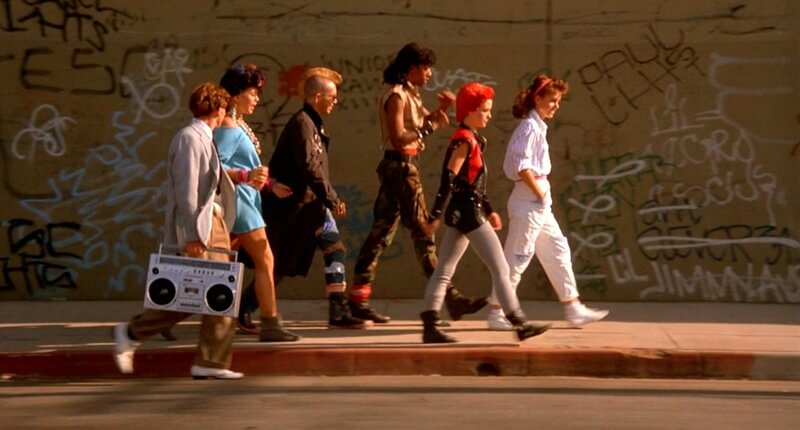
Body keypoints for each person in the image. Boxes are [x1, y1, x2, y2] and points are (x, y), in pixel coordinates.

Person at [112, 82, 244, 379]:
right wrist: (193, 236)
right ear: (219, 110)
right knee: (199, 293)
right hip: (201, 227)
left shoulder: (202, 137)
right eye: (225, 110)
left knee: (216, 295)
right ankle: (132, 332)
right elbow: (187, 192)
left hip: (211, 224)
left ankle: (210, 363)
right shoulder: (190, 138)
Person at [349, 42, 487, 325]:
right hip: (400, 167)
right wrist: (430, 126)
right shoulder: (396, 96)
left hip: (401, 166)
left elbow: (431, 121)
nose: (428, 74)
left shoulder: (411, 94)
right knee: (424, 231)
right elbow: (401, 136)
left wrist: (441, 110)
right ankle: (450, 297)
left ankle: (357, 299)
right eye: (425, 68)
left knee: (381, 232)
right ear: (410, 68)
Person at [419, 82, 551, 343]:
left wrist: (489, 209)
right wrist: (434, 214)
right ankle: (519, 322)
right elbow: (449, 178)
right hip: (468, 212)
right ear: (469, 112)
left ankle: (430, 324)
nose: (489, 115)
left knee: (444, 269)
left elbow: (472, 180)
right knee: (501, 268)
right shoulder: (464, 141)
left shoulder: (472, 139)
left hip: (466, 209)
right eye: (485, 110)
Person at [240, 67, 368, 329]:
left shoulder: (313, 123)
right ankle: (243, 308)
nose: (335, 101)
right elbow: (310, 166)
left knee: (335, 250)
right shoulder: (302, 123)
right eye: (331, 96)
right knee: (279, 265)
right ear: (316, 96)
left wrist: (326, 199)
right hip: (293, 209)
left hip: (313, 206)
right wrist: (332, 197)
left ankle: (337, 310)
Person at [486, 74, 609, 331]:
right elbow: (521, 166)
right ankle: (497, 312)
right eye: (552, 100)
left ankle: (573, 306)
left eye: (558, 101)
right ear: (537, 98)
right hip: (529, 200)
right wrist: (538, 194)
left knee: (557, 249)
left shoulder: (538, 126)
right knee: (518, 257)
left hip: (539, 202)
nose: (556, 105)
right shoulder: (528, 128)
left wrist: (542, 197)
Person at [215, 64, 299, 342]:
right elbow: (216, 167)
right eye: (253, 93)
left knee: (210, 261)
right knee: (266, 260)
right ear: (237, 95)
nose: (257, 99)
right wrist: (246, 176)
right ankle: (270, 323)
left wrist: (270, 185)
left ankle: (164, 313)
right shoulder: (228, 126)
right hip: (240, 205)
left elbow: (245, 166)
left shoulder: (235, 124)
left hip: (246, 201)